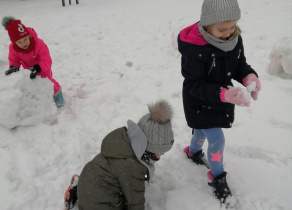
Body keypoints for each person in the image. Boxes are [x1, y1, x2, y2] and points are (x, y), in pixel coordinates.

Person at [177, 0, 261, 204]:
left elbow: (240, 64)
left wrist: (249, 76)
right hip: (198, 101)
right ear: (207, 25)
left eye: (232, 27)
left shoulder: (233, 39)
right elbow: (193, 85)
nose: (228, 32)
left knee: (200, 130)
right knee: (216, 139)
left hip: (221, 97)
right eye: (222, 29)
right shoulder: (195, 49)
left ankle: (193, 152)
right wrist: (224, 94)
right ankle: (218, 178)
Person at [64, 100, 175, 210]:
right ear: (149, 149)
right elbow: (135, 201)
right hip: (98, 204)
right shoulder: (132, 166)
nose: (163, 153)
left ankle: (77, 188)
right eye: (160, 150)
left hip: (88, 182)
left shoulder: (124, 145)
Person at [1, 16, 64, 107]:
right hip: (29, 70)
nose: (24, 44)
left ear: (29, 36)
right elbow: (14, 59)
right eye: (20, 42)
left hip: (43, 68)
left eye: (25, 39)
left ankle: (58, 93)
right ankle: (41, 100)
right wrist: (14, 67)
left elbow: (46, 60)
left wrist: (38, 67)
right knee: (34, 84)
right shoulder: (13, 48)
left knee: (48, 82)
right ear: (14, 42)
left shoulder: (39, 44)